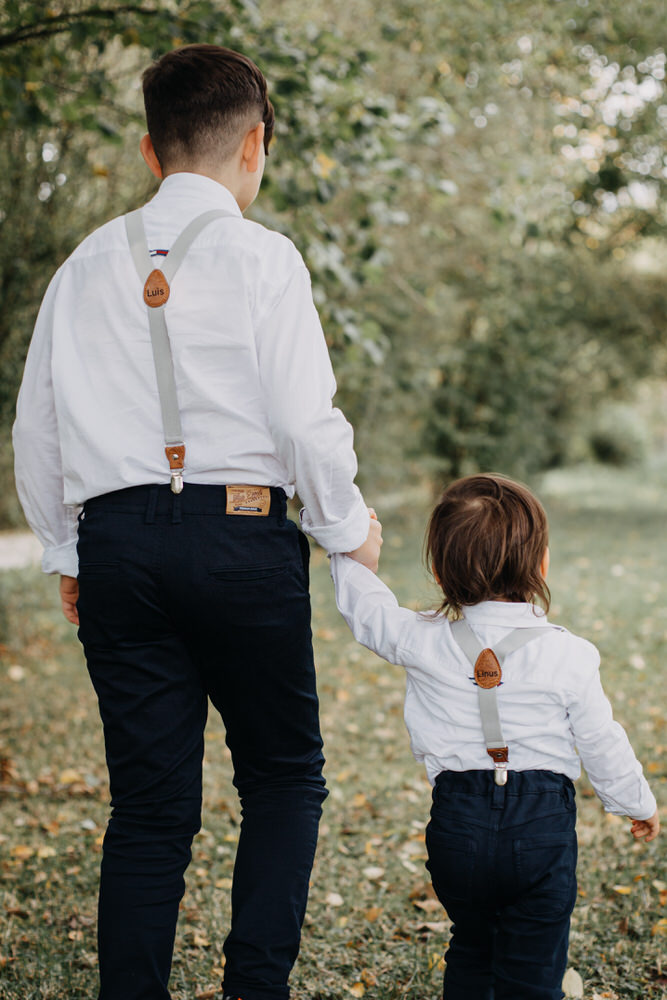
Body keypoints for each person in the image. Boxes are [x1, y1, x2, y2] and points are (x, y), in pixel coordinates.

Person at [13, 44, 382, 1000]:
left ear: (148, 151)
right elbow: (304, 421)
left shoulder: (82, 267)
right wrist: (346, 526)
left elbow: (36, 429)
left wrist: (65, 548)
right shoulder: (266, 258)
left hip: (119, 546)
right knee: (283, 777)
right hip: (242, 537)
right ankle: (252, 989)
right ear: (255, 144)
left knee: (147, 806)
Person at [331, 473, 659, 1000]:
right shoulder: (570, 654)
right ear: (542, 565)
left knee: (473, 947)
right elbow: (602, 740)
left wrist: (351, 552)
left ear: (439, 572)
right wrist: (635, 803)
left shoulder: (422, 638)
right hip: (542, 829)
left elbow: (368, 614)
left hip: (457, 827)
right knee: (532, 966)